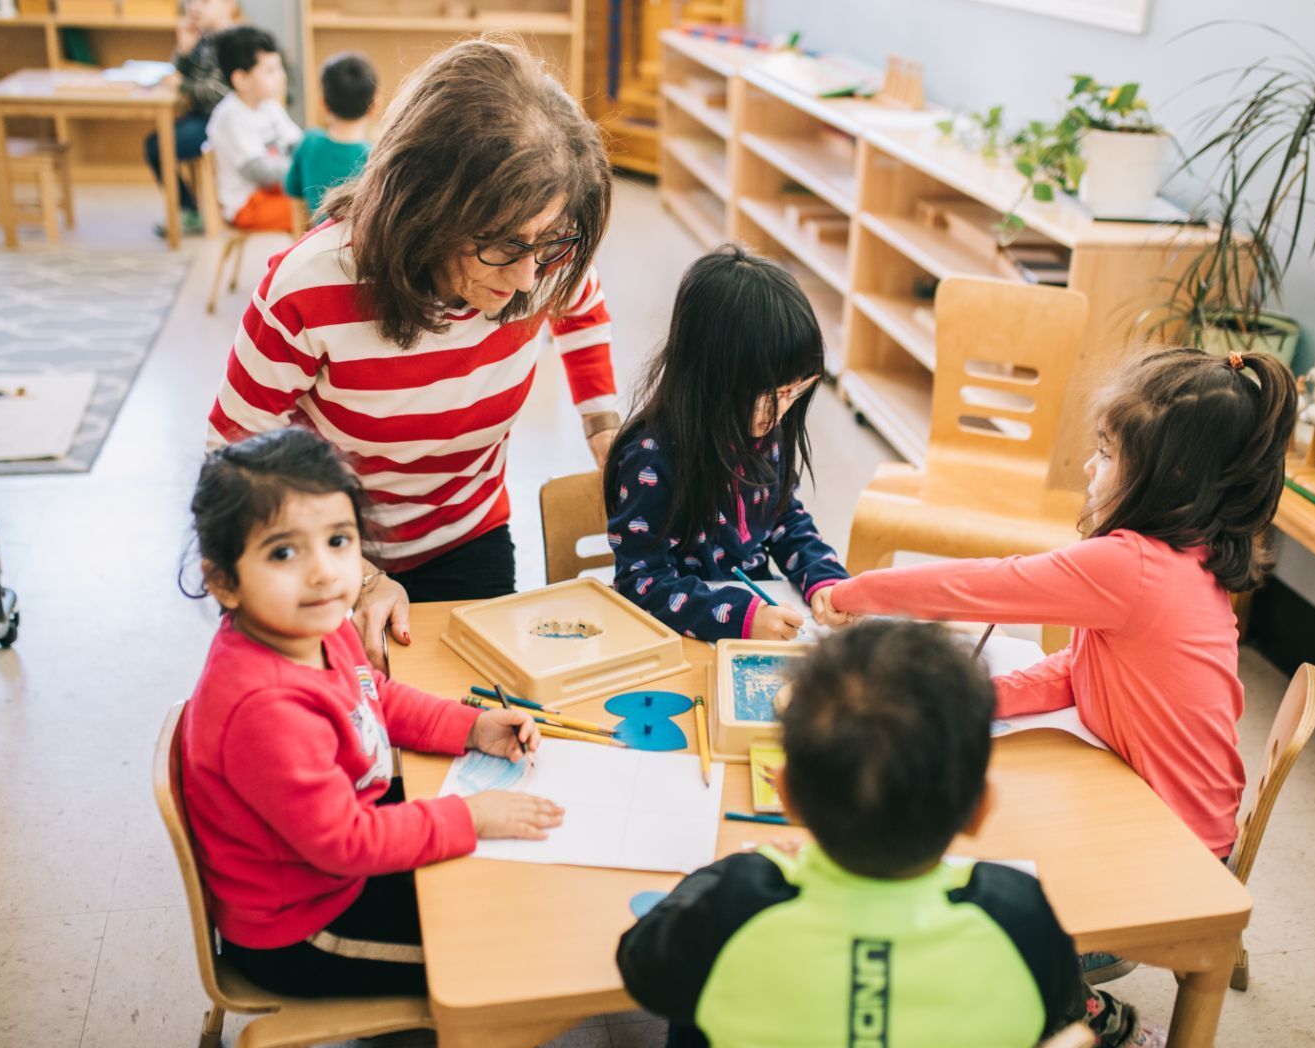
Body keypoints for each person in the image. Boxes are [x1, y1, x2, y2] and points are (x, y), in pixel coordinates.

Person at [207, 37, 616, 669]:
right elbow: (230, 460)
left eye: (550, 244)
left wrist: (602, 425)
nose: (531, 280)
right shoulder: (311, 286)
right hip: (320, 558)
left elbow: (581, 304)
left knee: (462, 736)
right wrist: (357, 575)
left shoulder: (536, 258)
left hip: (465, 532)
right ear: (427, 209)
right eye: (506, 245)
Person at [819, 348, 1297, 861]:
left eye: (1108, 454)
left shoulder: (1129, 567)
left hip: (1171, 852)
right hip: (1189, 830)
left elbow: (981, 585)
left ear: (1171, 477)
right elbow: (1082, 671)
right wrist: (977, 699)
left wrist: (854, 590)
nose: (1090, 466)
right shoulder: (1194, 552)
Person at [618, 621, 1162, 1048]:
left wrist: (726, 874)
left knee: (694, 1003)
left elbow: (640, 965)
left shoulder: (734, 905)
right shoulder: (1020, 917)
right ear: (980, 809)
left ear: (784, 794)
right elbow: (1055, 1009)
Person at [179, 427, 564, 997]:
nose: (323, 572)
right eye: (284, 552)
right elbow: (346, 843)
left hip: (341, 862)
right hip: (308, 926)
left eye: (338, 541)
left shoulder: (316, 624)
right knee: (505, 956)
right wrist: (471, 816)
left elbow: (374, 696)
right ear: (223, 582)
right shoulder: (263, 708)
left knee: (508, 891)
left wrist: (470, 726)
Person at [602, 246, 847, 642]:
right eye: (770, 393)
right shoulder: (651, 459)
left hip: (758, 621)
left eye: (795, 390)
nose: (783, 409)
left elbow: (784, 519)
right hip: (678, 641)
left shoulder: (766, 428)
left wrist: (824, 579)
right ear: (713, 378)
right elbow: (641, 583)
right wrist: (742, 618)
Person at [147, 0, 240, 238]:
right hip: (201, 116)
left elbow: (219, 90)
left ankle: (189, 211)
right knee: (156, 143)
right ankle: (189, 209)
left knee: (159, 146)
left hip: (220, 121)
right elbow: (176, 77)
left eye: (205, 2)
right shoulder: (202, 39)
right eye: (191, 2)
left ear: (229, 5)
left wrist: (184, 85)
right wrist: (184, 52)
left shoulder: (231, 40)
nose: (195, 7)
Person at [204, 26, 301, 230]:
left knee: (319, 199)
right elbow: (258, 171)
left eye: (279, 68)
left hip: (274, 191)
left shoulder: (269, 104)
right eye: (270, 71)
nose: (281, 77)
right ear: (241, 79)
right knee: (310, 207)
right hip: (248, 204)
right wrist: (300, 171)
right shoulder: (231, 116)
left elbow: (295, 142)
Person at [285, 51, 377, 221]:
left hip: (316, 241)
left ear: (324, 105)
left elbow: (292, 188)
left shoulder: (308, 142)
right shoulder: (374, 156)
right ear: (373, 107)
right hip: (357, 245)